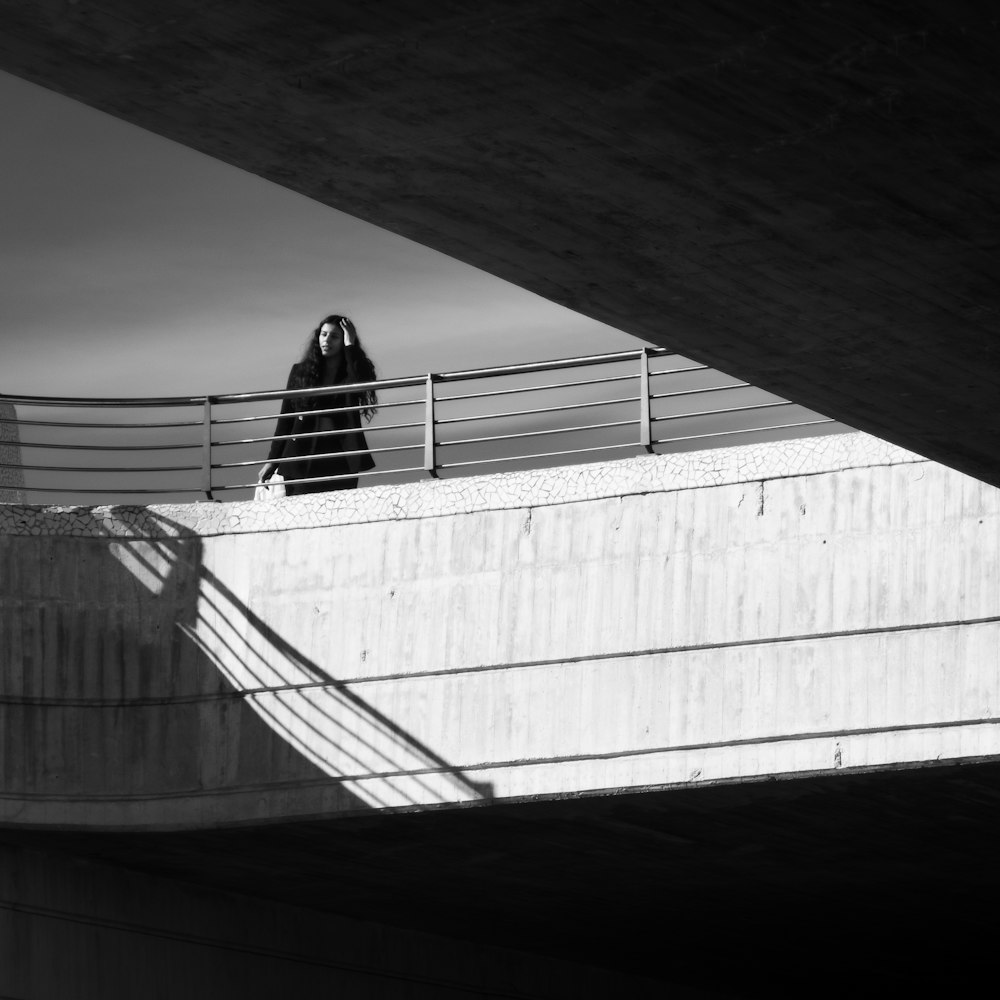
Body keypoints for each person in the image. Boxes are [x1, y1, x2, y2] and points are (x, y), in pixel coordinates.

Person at [258, 315, 377, 494]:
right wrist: (272, 460)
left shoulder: (351, 369)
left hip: (340, 454)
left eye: (334, 336)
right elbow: (286, 419)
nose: (327, 340)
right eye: (323, 334)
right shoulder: (300, 372)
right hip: (301, 454)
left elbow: (359, 383)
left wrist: (350, 345)